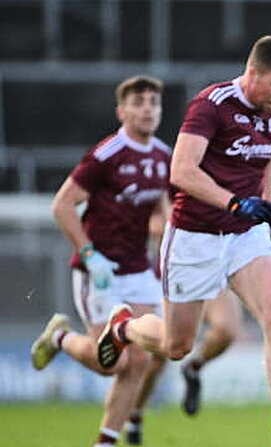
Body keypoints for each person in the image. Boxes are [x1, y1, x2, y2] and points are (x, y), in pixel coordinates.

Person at [94, 35, 271, 447]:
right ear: (253, 74)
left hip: (244, 235)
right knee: (175, 346)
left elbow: (267, 153)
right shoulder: (211, 106)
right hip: (194, 237)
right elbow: (181, 171)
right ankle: (124, 326)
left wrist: (266, 206)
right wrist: (235, 203)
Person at [30, 75, 170, 447]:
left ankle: (105, 442)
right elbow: (62, 205)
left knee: (142, 359)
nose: (147, 110)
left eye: (153, 103)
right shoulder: (107, 154)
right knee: (114, 364)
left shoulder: (163, 156)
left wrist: (165, 229)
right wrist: (90, 254)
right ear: (121, 111)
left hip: (139, 269)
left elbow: (159, 211)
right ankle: (59, 337)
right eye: (138, 103)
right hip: (101, 270)